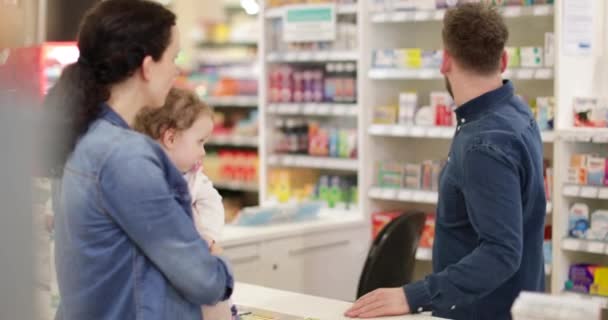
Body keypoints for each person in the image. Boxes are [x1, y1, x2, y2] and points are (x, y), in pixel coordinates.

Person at [345, 4, 546, 320]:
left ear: (445, 61)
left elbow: (501, 252)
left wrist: (413, 296)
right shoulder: (515, 112)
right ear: (503, 60)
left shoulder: (483, 142)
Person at [43, 1, 233, 319]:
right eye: (173, 58)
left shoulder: (80, 133)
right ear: (147, 66)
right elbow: (202, 279)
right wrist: (217, 265)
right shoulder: (126, 156)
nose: (177, 69)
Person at [134, 87, 234, 319]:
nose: (203, 152)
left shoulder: (192, 176)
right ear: (170, 137)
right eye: (199, 142)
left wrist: (208, 237)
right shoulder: (144, 179)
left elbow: (212, 201)